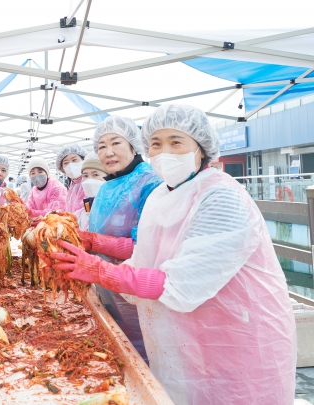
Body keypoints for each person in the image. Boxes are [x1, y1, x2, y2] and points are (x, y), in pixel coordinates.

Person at [52, 104, 297, 405]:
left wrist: (102, 271)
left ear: (202, 147)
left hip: (234, 339)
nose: (164, 151)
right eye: (156, 143)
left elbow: (180, 284)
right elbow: (143, 261)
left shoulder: (221, 196)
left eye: (176, 142)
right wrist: (95, 264)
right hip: (181, 339)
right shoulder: (161, 195)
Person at [79, 115, 161, 360]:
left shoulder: (150, 183)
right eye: (101, 146)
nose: (108, 152)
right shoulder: (106, 188)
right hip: (106, 286)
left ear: (133, 145)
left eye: (116, 143)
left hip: (137, 292)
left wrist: (96, 242)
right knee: (116, 351)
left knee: (142, 356)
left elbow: (146, 248)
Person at [78, 151, 108, 230]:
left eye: (95, 175)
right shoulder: (88, 204)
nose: (89, 180)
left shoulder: (115, 205)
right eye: (85, 176)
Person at [56, 145, 87, 218]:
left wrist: (69, 218)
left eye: (74, 160)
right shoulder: (73, 185)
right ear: (62, 169)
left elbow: (89, 209)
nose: (70, 164)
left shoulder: (88, 181)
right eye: (66, 163)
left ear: (84, 160)